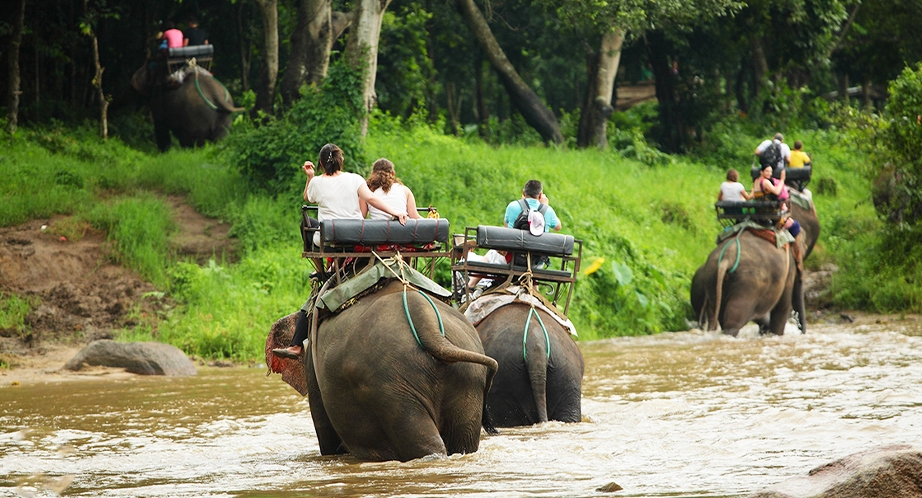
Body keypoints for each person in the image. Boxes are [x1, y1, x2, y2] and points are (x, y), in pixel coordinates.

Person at [274, 144, 409, 360]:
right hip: (356, 238)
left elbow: (308, 198)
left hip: (330, 239)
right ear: (341, 161)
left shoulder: (317, 182)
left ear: (320, 164)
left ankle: (298, 340)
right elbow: (373, 200)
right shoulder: (355, 179)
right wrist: (395, 212)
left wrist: (310, 176)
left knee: (307, 224)